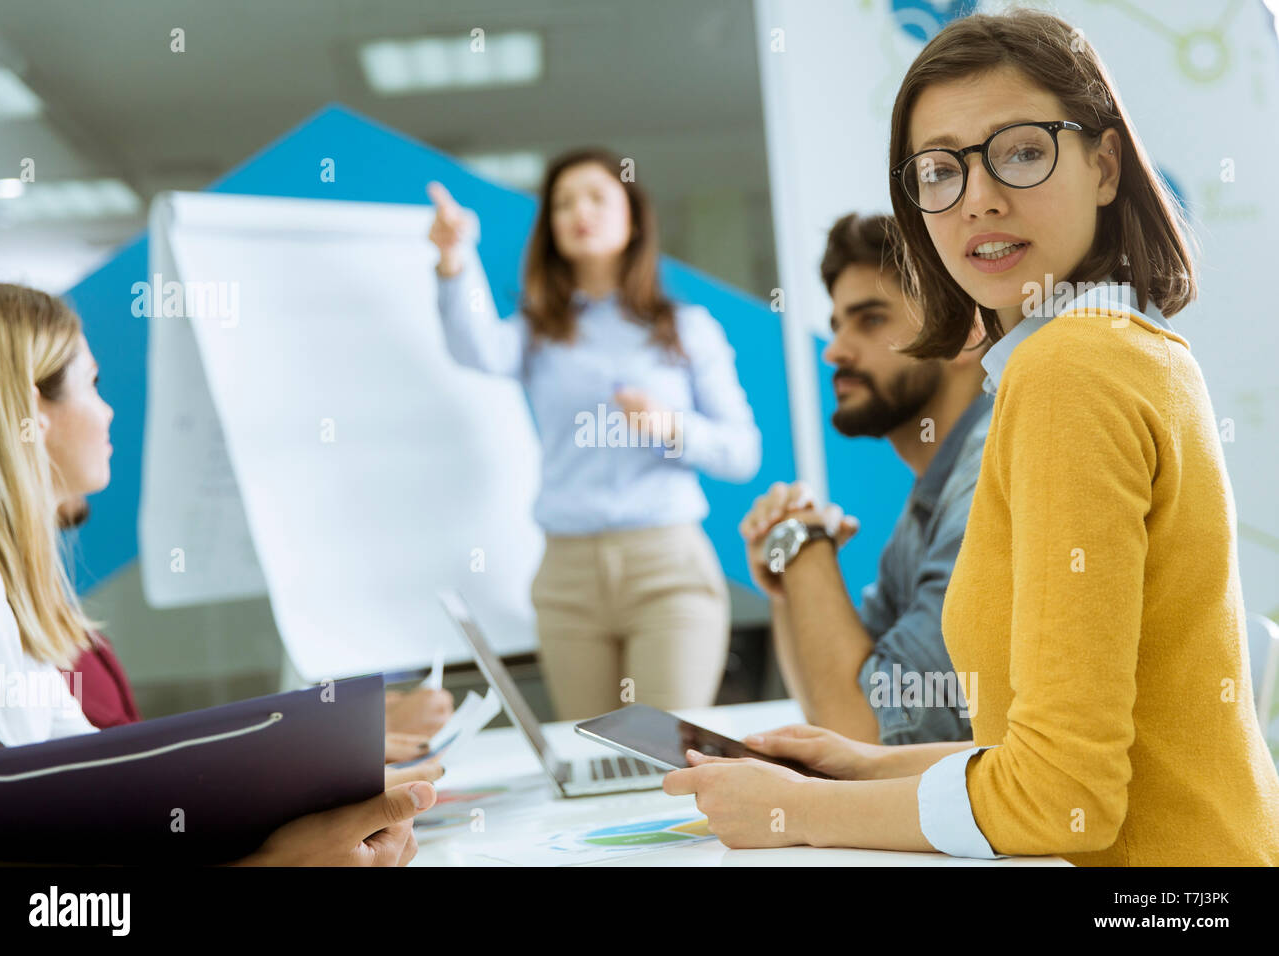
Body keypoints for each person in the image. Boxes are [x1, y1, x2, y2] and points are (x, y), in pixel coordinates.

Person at [664, 8, 1279, 866]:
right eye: (939, 170)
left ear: (1104, 166)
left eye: (1022, 151)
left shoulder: (1072, 372)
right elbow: (1064, 756)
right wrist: (866, 765)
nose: (980, 197)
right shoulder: (1120, 348)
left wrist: (792, 815)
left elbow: (1065, 801)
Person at [0, 280, 437, 865]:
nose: (108, 409)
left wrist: (302, 776)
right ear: (30, 411)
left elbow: (102, 796)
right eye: (91, 384)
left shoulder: (12, 600)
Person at [428, 147, 761, 720]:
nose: (578, 211)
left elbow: (742, 453)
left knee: (665, 757)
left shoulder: (686, 329)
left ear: (633, 218)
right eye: (562, 203)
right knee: (595, 755)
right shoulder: (539, 331)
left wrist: (670, 427)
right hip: (568, 578)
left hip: (666, 566)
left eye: (596, 197)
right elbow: (474, 347)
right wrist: (454, 257)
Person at [739, 213, 989, 744]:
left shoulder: (991, 475)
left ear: (967, 332)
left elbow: (865, 733)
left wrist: (802, 542)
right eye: (835, 326)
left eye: (870, 319)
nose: (835, 350)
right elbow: (831, 710)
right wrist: (789, 577)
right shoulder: (932, 496)